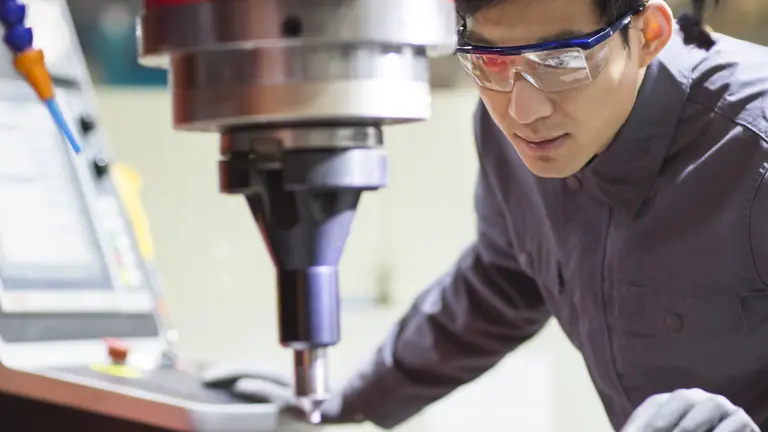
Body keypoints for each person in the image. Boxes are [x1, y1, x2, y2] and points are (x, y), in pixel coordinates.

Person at [203, 0, 768, 430]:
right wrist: (340, 401)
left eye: (560, 61)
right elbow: (502, 280)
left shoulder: (754, 151)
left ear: (647, 34)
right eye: (492, 62)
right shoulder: (512, 137)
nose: (523, 112)